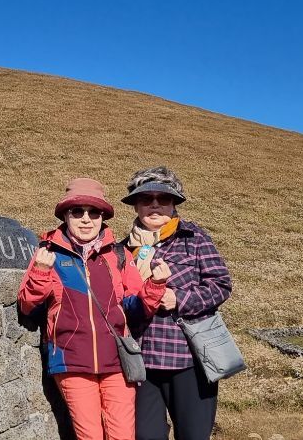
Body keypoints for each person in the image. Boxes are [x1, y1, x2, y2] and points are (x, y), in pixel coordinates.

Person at [18, 178, 166, 440]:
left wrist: (155, 285)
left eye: (94, 212)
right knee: (90, 436)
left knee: (123, 435)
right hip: (71, 361)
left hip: (117, 362)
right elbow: (28, 305)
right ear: (66, 215)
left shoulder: (118, 254)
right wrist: (40, 272)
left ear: (102, 217)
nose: (86, 219)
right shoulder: (47, 253)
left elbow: (136, 308)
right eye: (78, 211)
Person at [118, 166, 233, 440]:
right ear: (136, 205)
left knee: (194, 435)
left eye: (163, 198)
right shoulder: (122, 249)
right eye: (146, 198)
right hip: (142, 361)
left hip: (189, 359)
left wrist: (179, 299)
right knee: (145, 436)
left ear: (174, 204)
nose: (154, 204)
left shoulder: (194, 238)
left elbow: (221, 285)